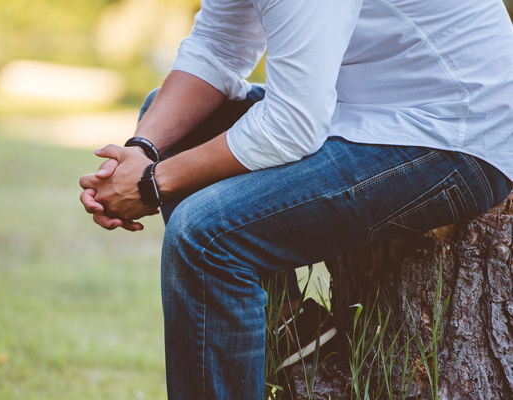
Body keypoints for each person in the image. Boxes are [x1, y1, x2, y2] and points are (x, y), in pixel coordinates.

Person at [79, 0, 513, 398]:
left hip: (456, 133)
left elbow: (292, 124)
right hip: (365, 112)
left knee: (206, 238)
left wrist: (151, 183)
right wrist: (142, 151)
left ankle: (278, 333)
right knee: (173, 122)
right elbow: (217, 47)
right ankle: (289, 327)